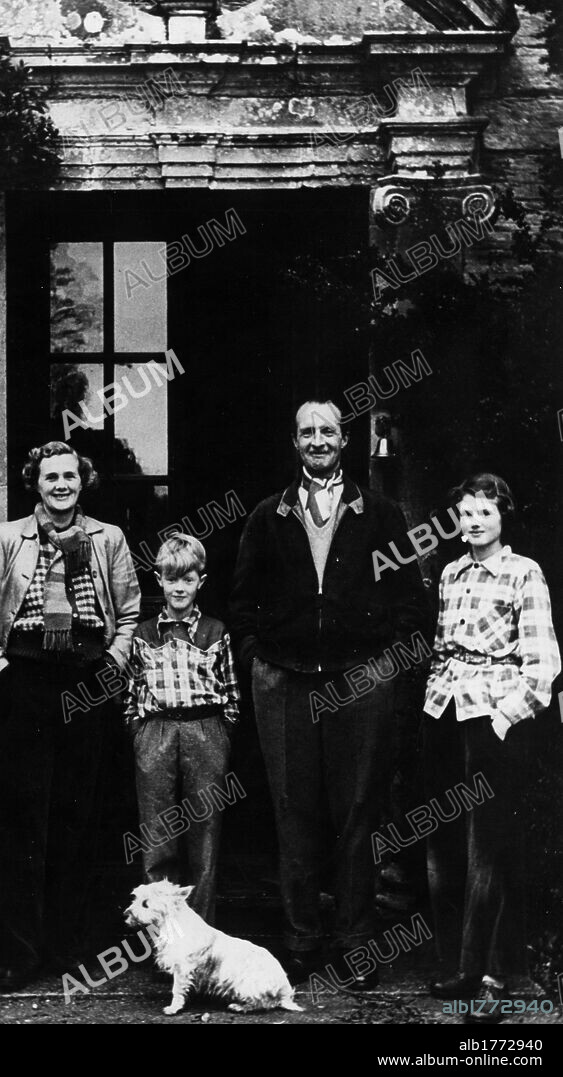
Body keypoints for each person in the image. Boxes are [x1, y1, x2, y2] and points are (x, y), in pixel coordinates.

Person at [230, 400, 428, 985]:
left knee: (358, 813)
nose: (317, 440)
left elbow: (413, 605)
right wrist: (257, 663)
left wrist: (387, 670)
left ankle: (357, 943)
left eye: (327, 431)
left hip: (360, 681)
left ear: (344, 440)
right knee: (293, 811)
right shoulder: (270, 515)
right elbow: (241, 605)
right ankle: (299, 941)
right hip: (285, 682)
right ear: (294, 443)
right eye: (306, 432)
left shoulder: (382, 515)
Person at [0, 440, 140, 991]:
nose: (61, 485)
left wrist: (110, 670)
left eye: (70, 476)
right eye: (51, 477)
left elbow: (131, 612)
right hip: (27, 680)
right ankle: (20, 953)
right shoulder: (5, 538)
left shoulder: (107, 538)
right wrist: (3, 675)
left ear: (82, 481)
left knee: (79, 817)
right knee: (22, 820)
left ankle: (68, 946)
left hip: (87, 680)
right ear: (34, 483)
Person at [423, 474, 560, 1023]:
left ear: (503, 517)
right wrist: (437, 699)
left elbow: (544, 666)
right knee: (448, 848)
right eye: (466, 512)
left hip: (494, 720)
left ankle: (495, 978)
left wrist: (504, 719)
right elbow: (440, 650)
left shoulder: (525, 572)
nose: (475, 521)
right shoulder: (452, 573)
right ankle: (462, 965)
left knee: (494, 851)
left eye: (485, 512)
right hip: (444, 715)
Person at [124, 533, 240, 926]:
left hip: (204, 731)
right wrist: (139, 731)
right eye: (171, 578)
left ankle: (200, 936)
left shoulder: (216, 631)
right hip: (156, 731)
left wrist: (221, 732)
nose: (179, 587)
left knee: (204, 837)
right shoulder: (143, 634)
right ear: (159, 579)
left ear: (200, 583)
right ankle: (160, 935)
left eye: (187, 579)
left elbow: (231, 692)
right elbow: (133, 689)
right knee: (157, 835)